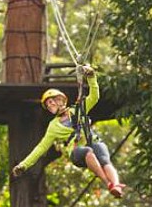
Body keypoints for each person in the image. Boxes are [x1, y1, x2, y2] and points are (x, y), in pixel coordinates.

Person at [11, 65, 126, 198]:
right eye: (47, 105)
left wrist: (91, 77)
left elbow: (94, 96)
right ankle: (108, 184)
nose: (50, 105)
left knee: (104, 158)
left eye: (51, 101)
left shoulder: (77, 109)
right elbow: (41, 148)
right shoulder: (53, 126)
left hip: (92, 140)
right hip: (77, 150)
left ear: (61, 100)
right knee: (88, 153)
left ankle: (116, 185)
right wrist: (23, 165)